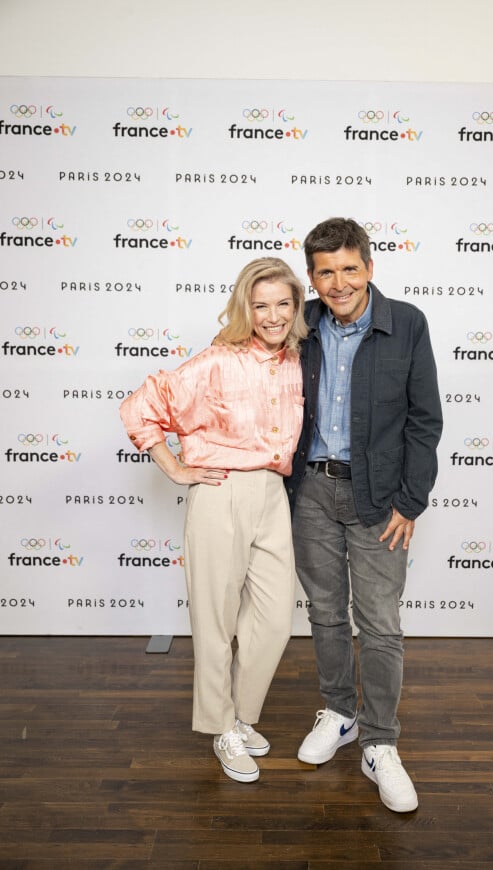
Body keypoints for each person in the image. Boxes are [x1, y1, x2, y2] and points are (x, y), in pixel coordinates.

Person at [120, 257, 307, 784]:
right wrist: (175, 468)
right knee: (215, 620)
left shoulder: (296, 359)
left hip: (274, 493)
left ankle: (242, 718)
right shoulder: (218, 359)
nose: (272, 315)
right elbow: (141, 405)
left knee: (272, 621)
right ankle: (220, 727)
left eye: (283, 303)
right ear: (245, 306)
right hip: (221, 492)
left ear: (296, 307)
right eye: (261, 304)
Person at [286, 218, 442, 812]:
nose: (339, 282)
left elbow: (425, 420)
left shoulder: (407, 323)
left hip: (380, 499)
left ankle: (381, 741)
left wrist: (411, 500)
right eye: (326, 272)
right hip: (311, 494)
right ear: (312, 278)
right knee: (325, 612)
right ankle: (340, 713)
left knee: (378, 623)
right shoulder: (298, 325)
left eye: (350, 268)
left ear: (370, 268)